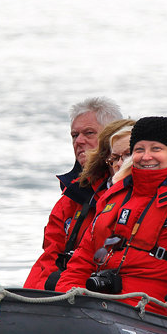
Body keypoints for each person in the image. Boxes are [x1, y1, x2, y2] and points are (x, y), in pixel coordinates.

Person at [56, 116, 167, 324]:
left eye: (156, 149)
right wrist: (68, 292)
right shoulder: (116, 194)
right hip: (109, 307)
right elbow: (85, 256)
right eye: (139, 149)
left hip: (162, 314)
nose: (146, 157)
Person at [23, 97, 123, 291]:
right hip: (70, 293)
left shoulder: (138, 193)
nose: (78, 141)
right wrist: (29, 302)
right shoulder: (72, 197)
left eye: (89, 133)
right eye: (74, 135)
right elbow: (49, 258)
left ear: (112, 137)